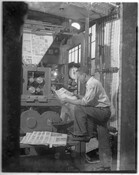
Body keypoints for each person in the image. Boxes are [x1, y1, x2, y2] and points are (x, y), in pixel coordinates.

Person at [59, 67, 112, 171]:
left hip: (102, 112)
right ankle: (106, 166)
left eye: (79, 77)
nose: (78, 80)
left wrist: (67, 99)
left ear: (84, 75)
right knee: (103, 140)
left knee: (79, 108)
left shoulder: (92, 83)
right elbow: (88, 99)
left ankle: (81, 134)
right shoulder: (90, 83)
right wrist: (75, 95)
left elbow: (84, 103)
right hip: (101, 111)